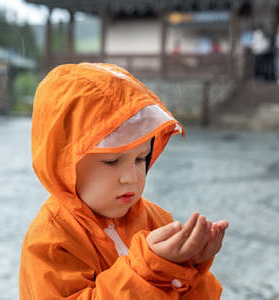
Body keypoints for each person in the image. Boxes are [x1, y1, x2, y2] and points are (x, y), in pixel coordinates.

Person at [19, 63, 229, 299]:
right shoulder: (52, 239)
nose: (131, 177)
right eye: (111, 161)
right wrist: (151, 269)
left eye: (140, 159)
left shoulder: (156, 220)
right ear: (64, 162)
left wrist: (190, 268)